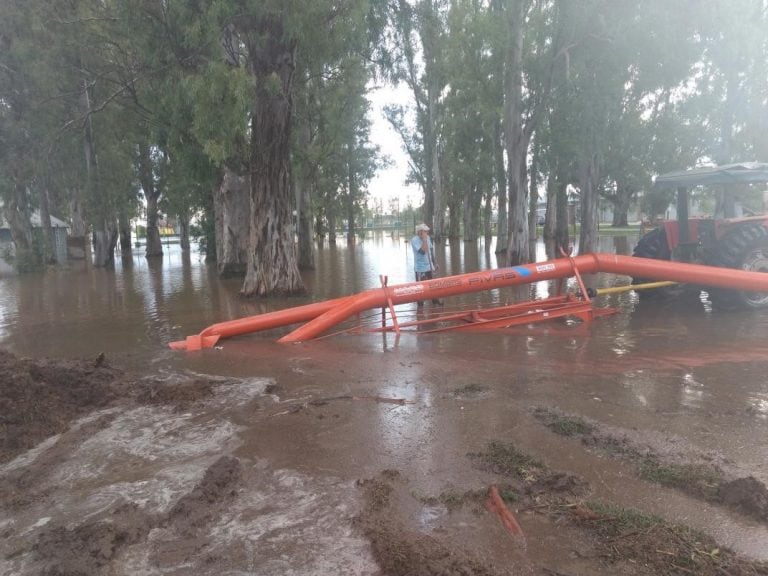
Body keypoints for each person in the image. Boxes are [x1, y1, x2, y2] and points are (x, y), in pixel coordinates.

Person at [411, 223, 442, 307]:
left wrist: (435, 263)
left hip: (429, 266)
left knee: (432, 285)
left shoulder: (428, 238)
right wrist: (424, 240)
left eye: (427, 232)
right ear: (420, 232)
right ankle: (420, 306)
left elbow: (431, 251)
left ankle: (435, 302)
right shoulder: (414, 240)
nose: (427, 233)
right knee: (420, 288)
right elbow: (423, 251)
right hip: (420, 268)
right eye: (425, 231)